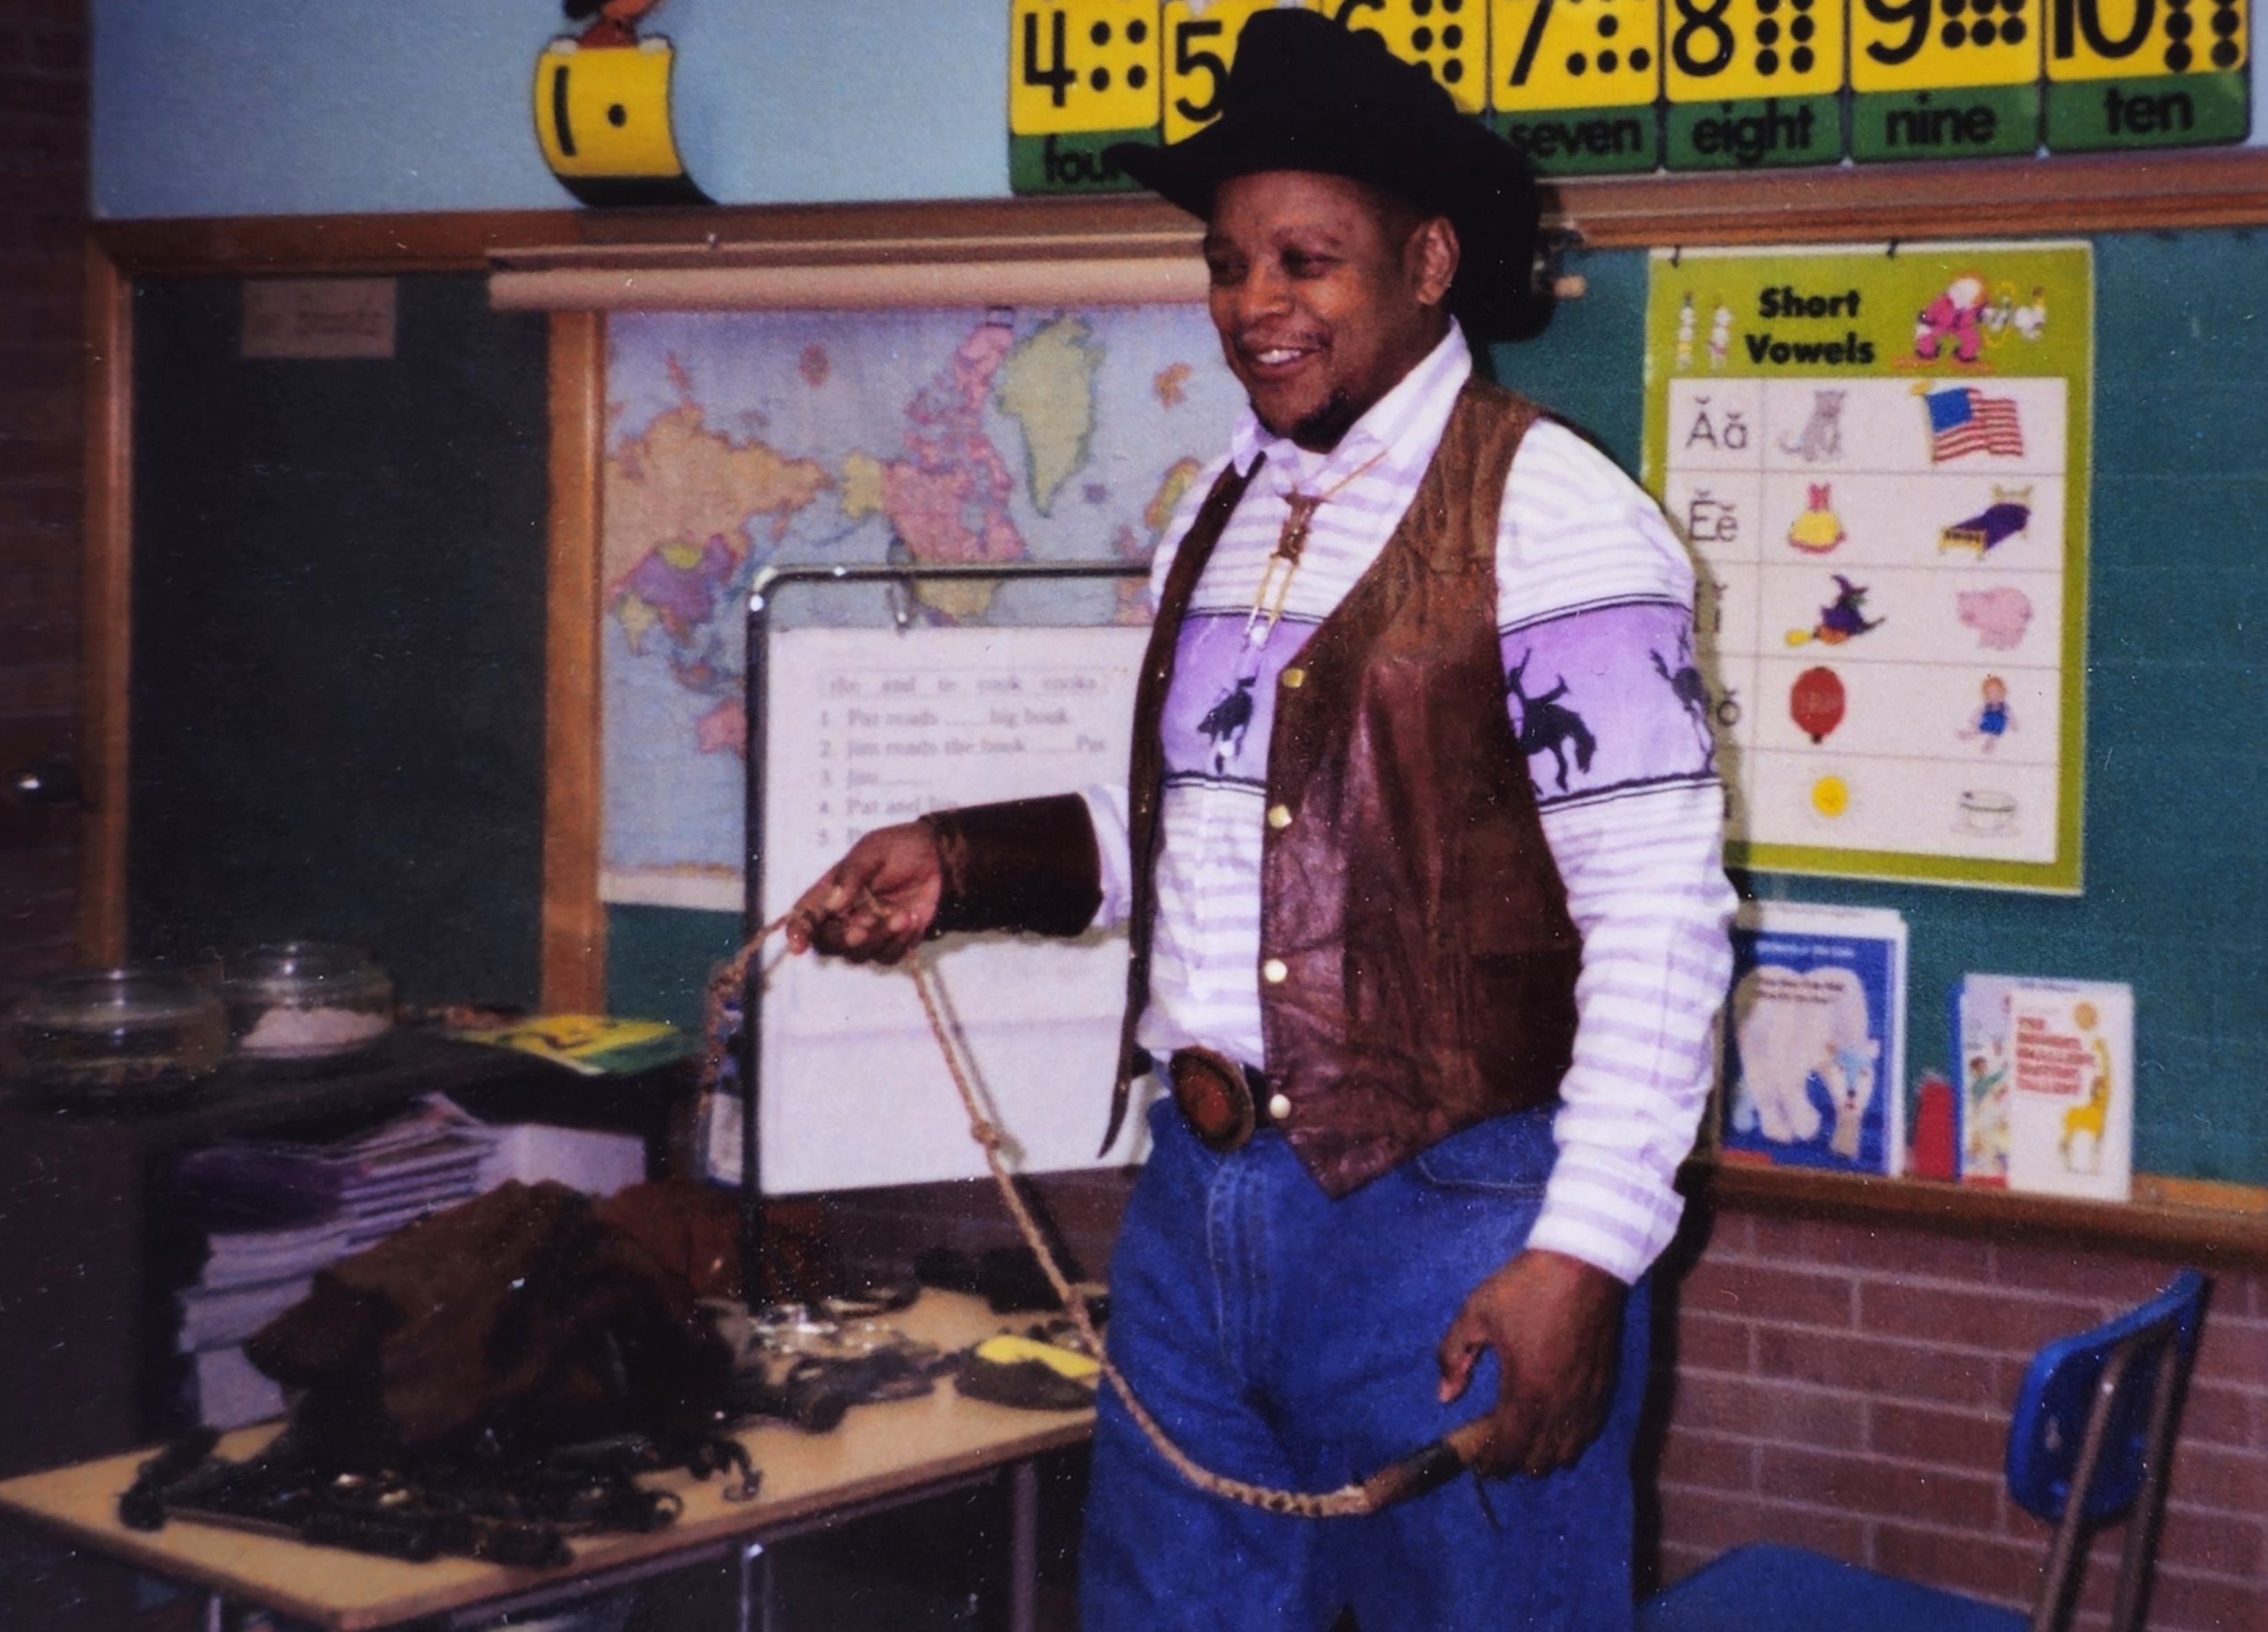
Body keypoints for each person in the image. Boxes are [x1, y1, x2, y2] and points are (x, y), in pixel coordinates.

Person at [787, 13, 1734, 1629]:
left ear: (1428, 260)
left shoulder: (1559, 516)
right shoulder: (1215, 512)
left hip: (1454, 1218)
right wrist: (970, 862)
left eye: (1309, 259)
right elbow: (1225, 826)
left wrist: (1585, 1252)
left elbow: (1658, 910)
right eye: (1230, 265)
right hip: (1193, 1213)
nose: (1256, 306)